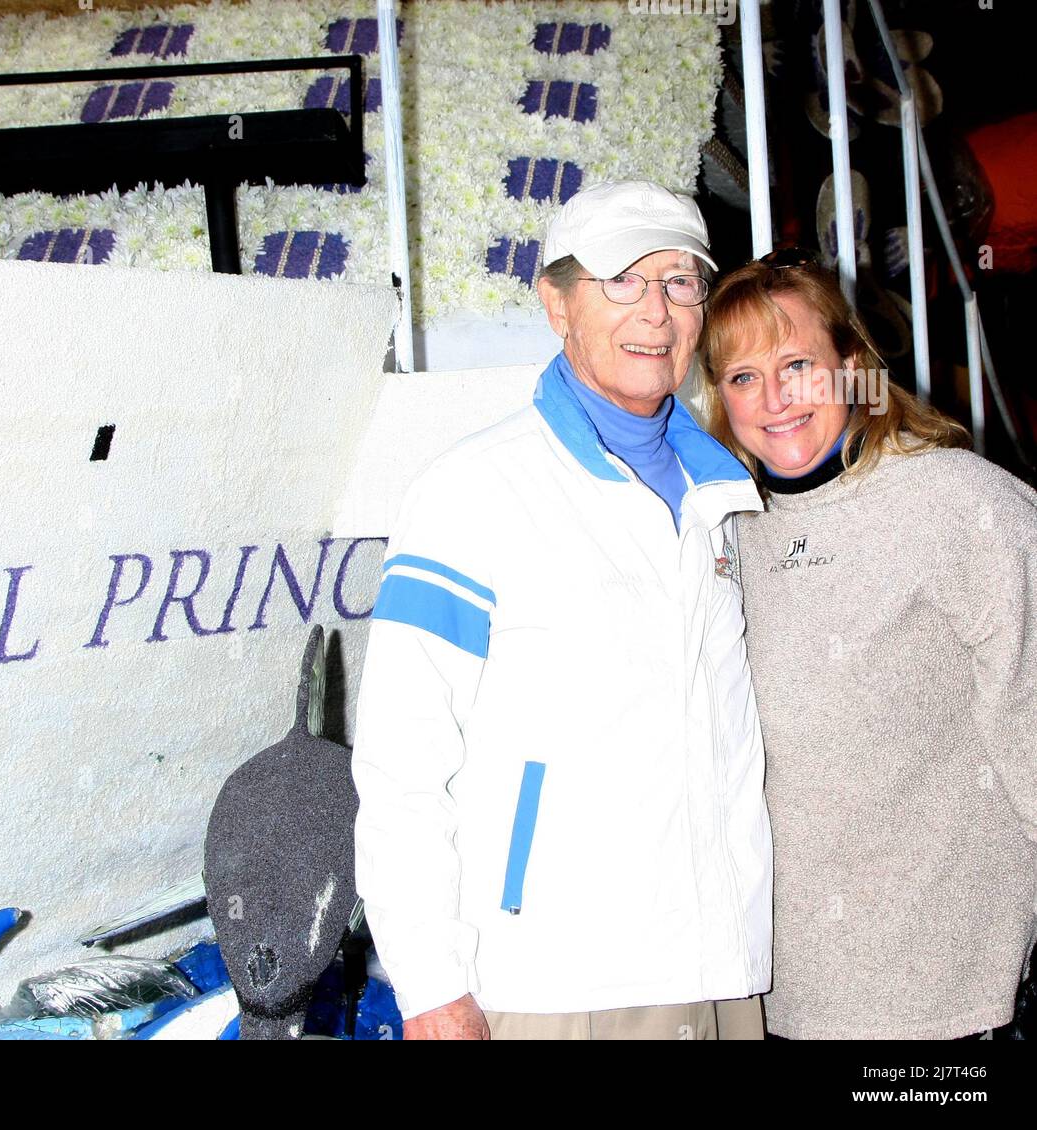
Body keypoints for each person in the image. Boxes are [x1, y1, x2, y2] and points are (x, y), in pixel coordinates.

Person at [351, 181, 773, 1040]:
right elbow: (401, 768)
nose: (654, 312)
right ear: (556, 304)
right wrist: (430, 986)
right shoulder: (470, 495)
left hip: (723, 969)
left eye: (680, 281)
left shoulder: (726, 496)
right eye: (621, 281)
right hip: (557, 984)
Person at [698, 248, 1037, 1039]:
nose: (773, 399)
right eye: (744, 377)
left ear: (851, 364)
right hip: (780, 994)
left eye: (797, 365)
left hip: (947, 1000)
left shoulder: (961, 504)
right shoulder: (727, 533)